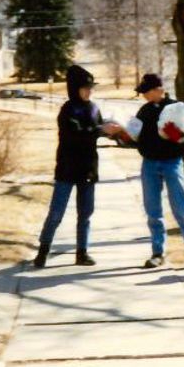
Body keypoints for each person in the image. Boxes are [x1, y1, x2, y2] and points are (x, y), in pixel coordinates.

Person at [32, 64, 119, 268]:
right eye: (85, 87)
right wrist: (100, 129)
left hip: (88, 167)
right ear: (74, 88)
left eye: (91, 88)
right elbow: (75, 134)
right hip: (67, 168)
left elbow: (96, 131)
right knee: (56, 213)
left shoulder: (94, 108)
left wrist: (114, 131)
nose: (90, 91)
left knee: (86, 213)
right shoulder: (67, 110)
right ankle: (43, 250)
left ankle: (82, 252)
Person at [132, 73, 184, 270]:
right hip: (149, 164)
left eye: (146, 92)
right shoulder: (144, 111)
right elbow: (136, 137)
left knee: (181, 208)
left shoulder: (178, 109)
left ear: (159, 90)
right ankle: (158, 253)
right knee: (153, 211)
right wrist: (124, 134)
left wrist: (178, 138)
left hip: (172, 163)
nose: (143, 96)